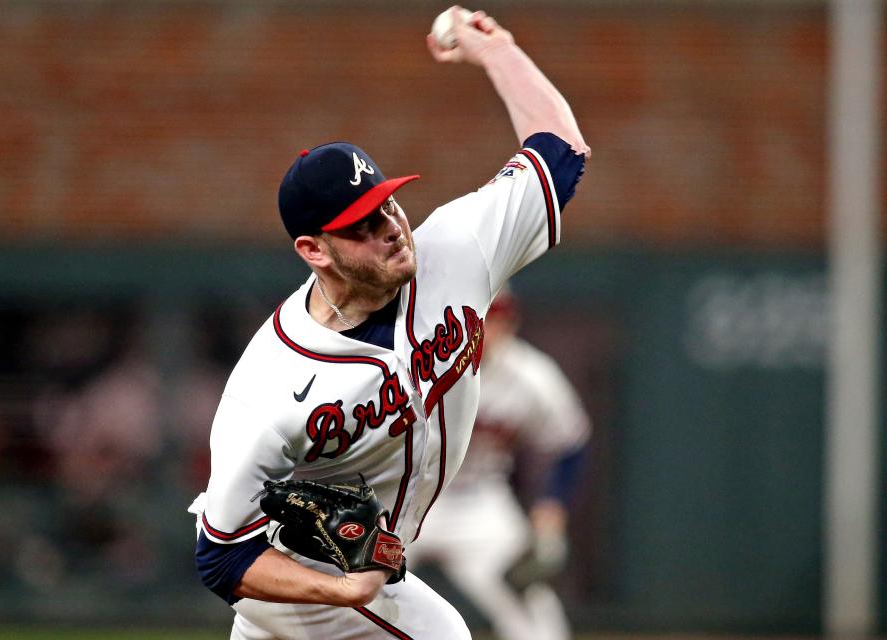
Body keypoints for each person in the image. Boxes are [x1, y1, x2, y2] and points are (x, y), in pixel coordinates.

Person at [188, 7, 590, 639]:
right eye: (363, 227)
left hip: (408, 537)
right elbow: (220, 557)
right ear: (314, 250)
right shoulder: (269, 386)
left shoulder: (454, 251)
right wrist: (340, 589)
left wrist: (499, 54)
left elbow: (561, 153)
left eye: (388, 205)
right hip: (297, 566)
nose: (390, 231)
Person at [408, 289, 591, 640]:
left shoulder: (532, 376)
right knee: (352, 591)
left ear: (511, 324)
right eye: (476, 318)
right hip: (406, 499)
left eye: (495, 319)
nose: (485, 329)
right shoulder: (414, 364)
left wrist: (550, 511)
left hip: (478, 501)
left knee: (534, 609)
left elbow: (569, 444)